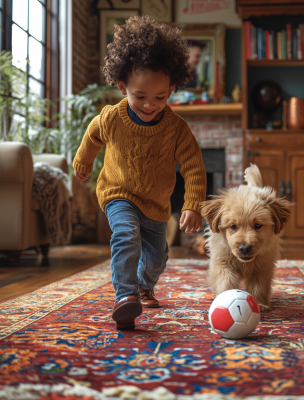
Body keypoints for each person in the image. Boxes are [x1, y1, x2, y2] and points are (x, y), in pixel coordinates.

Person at [73, 15, 206, 331]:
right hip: (118, 193)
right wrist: (83, 161)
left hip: (157, 204)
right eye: (139, 96)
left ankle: (145, 286)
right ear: (122, 86)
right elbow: (92, 135)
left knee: (159, 258)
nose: (150, 105)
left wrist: (192, 205)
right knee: (125, 234)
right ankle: (125, 297)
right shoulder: (111, 118)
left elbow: (194, 167)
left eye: (160, 97)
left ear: (171, 88)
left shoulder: (176, 129)